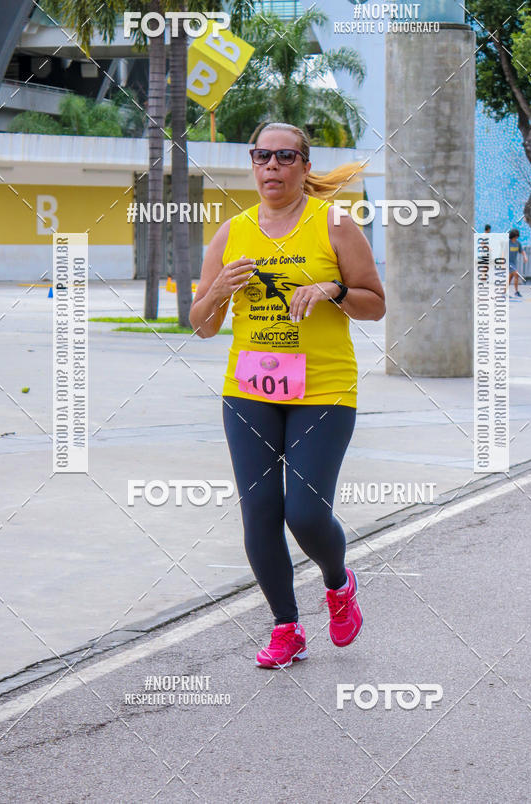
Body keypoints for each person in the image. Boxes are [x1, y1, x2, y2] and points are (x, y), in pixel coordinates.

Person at [189, 122, 386, 669]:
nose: (271, 166)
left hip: (322, 389)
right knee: (259, 513)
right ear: (253, 165)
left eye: (284, 156)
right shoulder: (232, 232)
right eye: (261, 156)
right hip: (249, 390)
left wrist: (333, 289)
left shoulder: (335, 225)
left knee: (304, 512)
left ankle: (338, 584)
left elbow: (375, 303)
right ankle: (286, 627)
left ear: (303, 166)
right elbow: (201, 326)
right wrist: (219, 293)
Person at [508, 228, 528, 297]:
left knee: (510, 278)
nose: (516, 237)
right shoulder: (508, 243)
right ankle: (516, 291)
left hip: (513, 263)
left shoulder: (517, 243)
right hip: (508, 262)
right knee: (516, 274)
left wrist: (525, 257)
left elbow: (522, 251)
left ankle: (504, 292)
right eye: (515, 236)